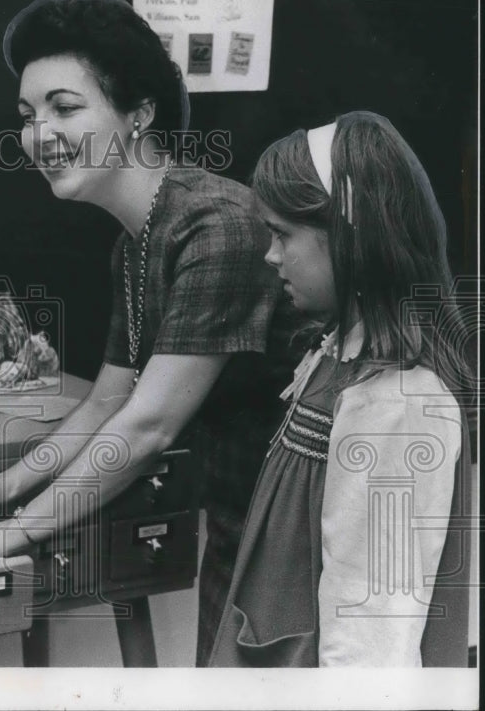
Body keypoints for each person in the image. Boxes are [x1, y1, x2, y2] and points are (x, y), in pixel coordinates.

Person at [0, 0, 303, 666]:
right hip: (245, 511)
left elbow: (149, 425)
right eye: (29, 115)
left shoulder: (218, 226)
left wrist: (17, 532)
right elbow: (108, 401)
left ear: (139, 113)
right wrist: (4, 487)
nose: (40, 134)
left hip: (303, 517)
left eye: (66, 107)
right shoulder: (135, 242)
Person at [209, 112, 472, 667]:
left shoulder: (396, 404)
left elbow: (372, 630)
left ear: (351, 236)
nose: (270, 255)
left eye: (282, 234)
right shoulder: (334, 354)